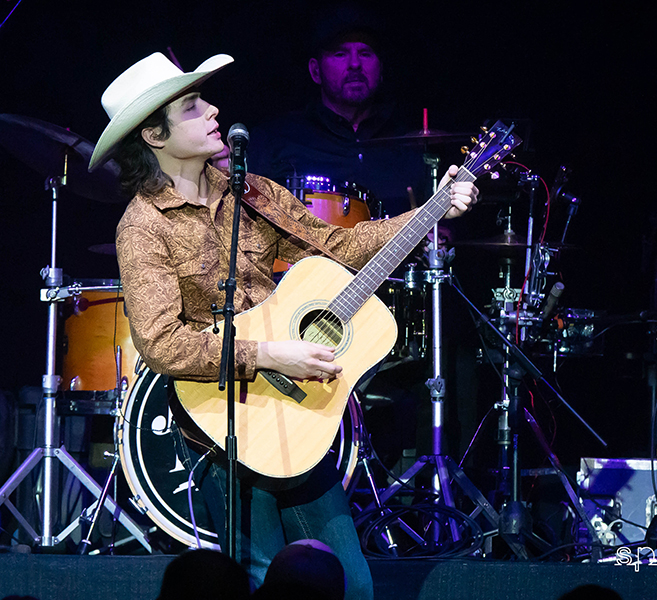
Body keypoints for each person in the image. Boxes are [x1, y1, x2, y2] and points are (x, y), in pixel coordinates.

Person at [88, 52, 478, 600]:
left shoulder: (252, 193)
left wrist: (433, 211)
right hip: (217, 426)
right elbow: (160, 344)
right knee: (257, 581)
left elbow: (338, 246)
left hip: (296, 418)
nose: (214, 110)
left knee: (352, 585)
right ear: (154, 134)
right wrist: (269, 354)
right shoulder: (143, 226)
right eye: (194, 106)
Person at [248, 11, 429, 218]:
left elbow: (440, 230)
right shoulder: (275, 139)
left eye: (365, 53)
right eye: (340, 54)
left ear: (381, 70)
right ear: (315, 71)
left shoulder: (409, 146)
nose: (355, 64)